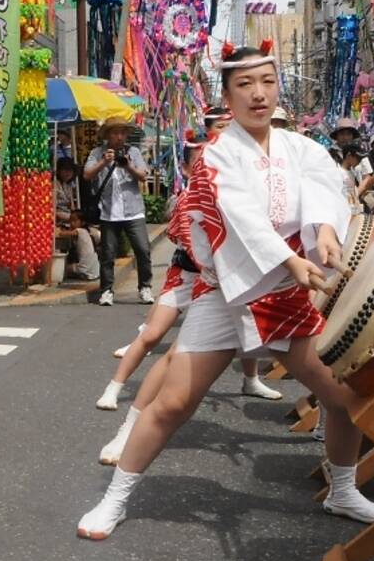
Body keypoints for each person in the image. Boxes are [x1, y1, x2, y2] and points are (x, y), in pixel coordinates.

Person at [76, 44, 374, 541]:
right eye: (245, 84)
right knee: (174, 404)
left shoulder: (300, 148)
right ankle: (114, 499)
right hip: (227, 293)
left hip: (287, 291)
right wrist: (289, 257)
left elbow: (324, 187)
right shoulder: (217, 155)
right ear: (227, 95)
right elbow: (238, 216)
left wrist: (326, 230)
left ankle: (344, 490)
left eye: (266, 81)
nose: (258, 93)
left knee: (341, 394)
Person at [94, 141, 281, 417]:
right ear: (186, 168)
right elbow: (182, 237)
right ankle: (115, 386)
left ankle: (251, 380)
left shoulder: (238, 195)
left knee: (247, 325)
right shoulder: (188, 197)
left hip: (222, 279)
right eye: (201, 164)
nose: (209, 169)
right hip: (187, 275)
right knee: (153, 334)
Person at [84, 116, 152, 306]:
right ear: (107, 135)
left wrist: (128, 165)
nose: (120, 137)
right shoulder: (98, 153)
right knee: (108, 254)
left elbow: (143, 176)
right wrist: (104, 163)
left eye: (123, 133)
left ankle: (145, 287)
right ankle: (106, 290)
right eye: (115, 133)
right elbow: (87, 174)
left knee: (143, 250)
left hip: (133, 211)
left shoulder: (134, 152)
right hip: (109, 212)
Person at [54, 158, 99, 280]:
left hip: (69, 218)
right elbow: (52, 209)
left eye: (70, 171)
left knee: (95, 235)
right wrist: (70, 217)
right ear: (59, 171)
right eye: (65, 170)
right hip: (57, 218)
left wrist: (74, 214)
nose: (67, 173)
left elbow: (71, 206)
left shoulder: (68, 186)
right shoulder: (54, 185)